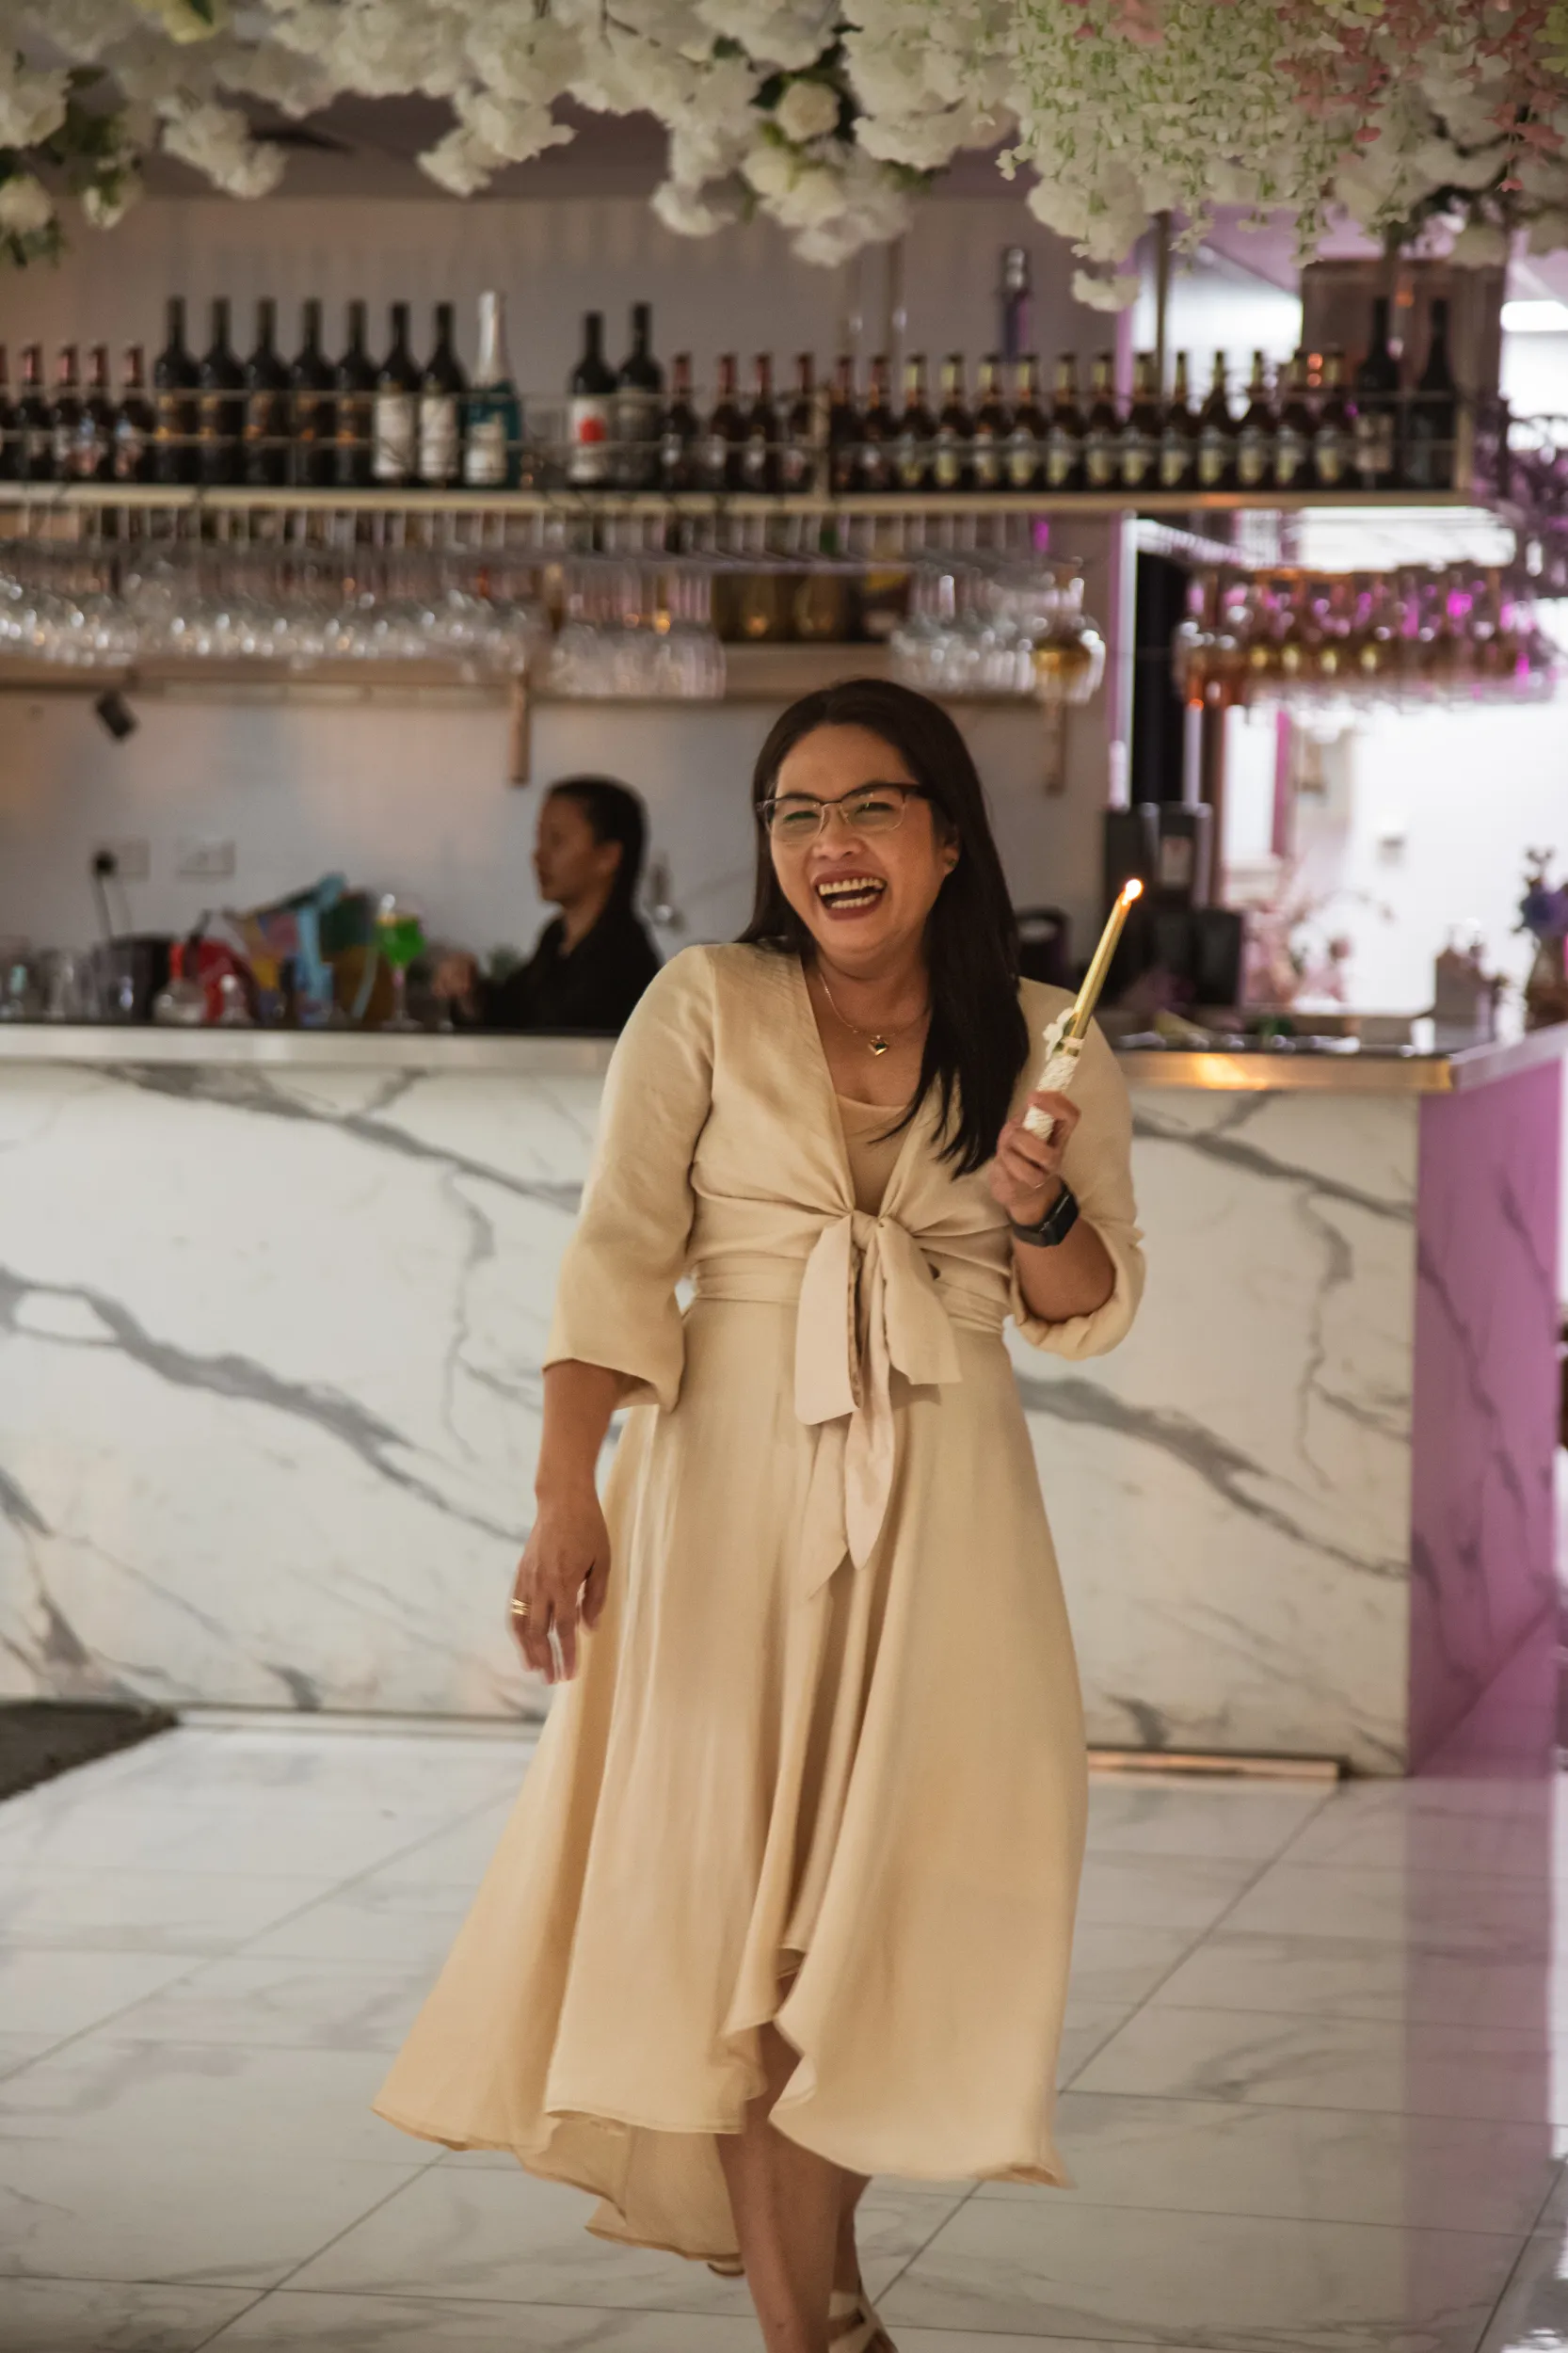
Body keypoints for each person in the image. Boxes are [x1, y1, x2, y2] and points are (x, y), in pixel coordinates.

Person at [373, 680, 1144, 2353]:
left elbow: (1086, 1304)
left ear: (947, 836)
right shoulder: (702, 1000)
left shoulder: (1044, 1039)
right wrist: (562, 1492)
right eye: (793, 815)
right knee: (737, 1912)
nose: (828, 843)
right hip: (722, 1492)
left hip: (946, 1515)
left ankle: (828, 2291)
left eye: (867, 808)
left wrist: (1039, 1203)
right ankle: (816, 2333)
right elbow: (617, 1253)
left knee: (870, 1920)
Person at [433, 774, 661, 1033]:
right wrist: (469, 992)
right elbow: (509, 1012)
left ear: (608, 857)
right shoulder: (555, 938)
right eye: (539, 839)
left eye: (556, 840)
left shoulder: (624, 960)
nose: (538, 856)